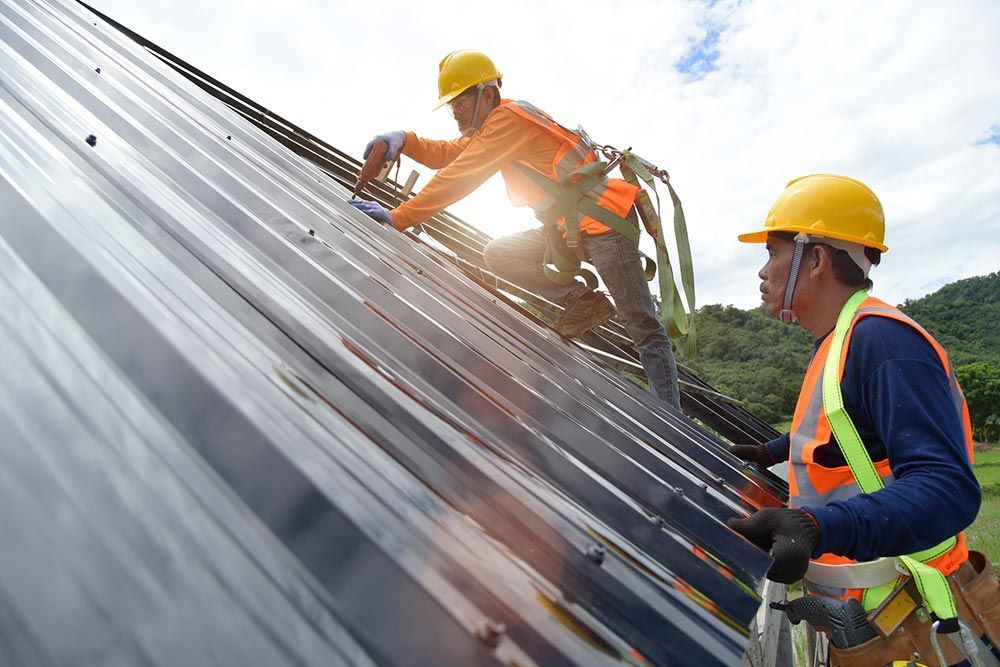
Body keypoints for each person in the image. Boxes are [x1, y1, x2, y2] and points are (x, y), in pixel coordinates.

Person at [727, 174, 998, 665]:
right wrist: (771, 451)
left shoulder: (883, 343)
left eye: (772, 252)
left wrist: (817, 526)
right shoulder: (840, 339)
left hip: (918, 622)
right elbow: (847, 431)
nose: (763, 272)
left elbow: (947, 488)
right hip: (868, 618)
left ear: (815, 258)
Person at [349, 50, 681, 409]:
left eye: (460, 101)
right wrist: (405, 139)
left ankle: (673, 417)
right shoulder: (497, 126)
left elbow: (461, 175)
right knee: (499, 254)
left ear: (486, 94)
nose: (455, 111)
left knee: (642, 325)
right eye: (451, 105)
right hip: (568, 228)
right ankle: (580, 300)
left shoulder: (507, 120)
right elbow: (452, 154)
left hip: (604, 223)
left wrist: (400, 217)